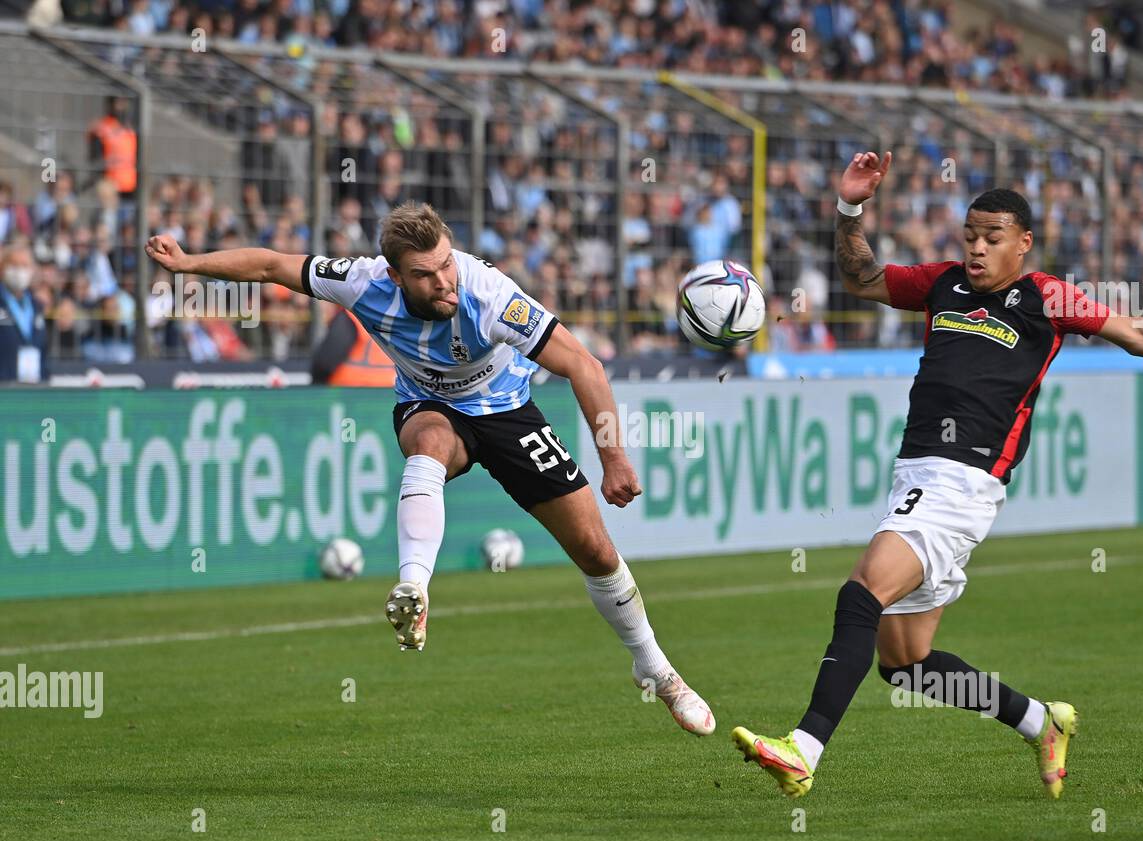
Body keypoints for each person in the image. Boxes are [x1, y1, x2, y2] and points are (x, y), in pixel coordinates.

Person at [732, 150, 1143, 799]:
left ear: (1022, 244)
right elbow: (860, 278)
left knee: (860, 592)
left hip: (961, 481)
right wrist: (850, 207)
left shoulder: (1045, 296)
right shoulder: (941, 283)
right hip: (918, 473)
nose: (976, 249)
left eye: (992, 239)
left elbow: (1140, 332)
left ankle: (803, 750)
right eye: (969, 236)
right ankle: (1040, 721)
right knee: (907, 665)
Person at [145, 201, 714, 737]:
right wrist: (189, 262)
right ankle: (413, 588)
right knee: (429, 444)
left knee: (594, 549)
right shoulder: (362, 281)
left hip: (508, 411)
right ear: (395, 276)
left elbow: (584, 365)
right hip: (430, 405)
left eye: (446, 264)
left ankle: (655, 670)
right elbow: (272, 265)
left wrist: (613, 457)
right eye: (425, 274)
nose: (444, 281)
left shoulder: (491, 296)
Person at [311, 307, 397, 387]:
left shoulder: (351, 315)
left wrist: (317, 383)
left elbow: (327, 361)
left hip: (351, 390)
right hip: (388, 389)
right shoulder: (396, 315)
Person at [0, 243, 48, 384]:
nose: (19, 271)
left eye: (24, 265)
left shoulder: (37, 306)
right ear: (2, 268)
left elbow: (43, 350)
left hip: (33, 390)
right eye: (14, 265)